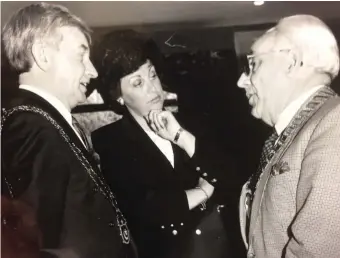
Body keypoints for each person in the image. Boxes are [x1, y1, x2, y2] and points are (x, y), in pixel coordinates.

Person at [1, 3, 135, 258]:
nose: (92, 71)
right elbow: (48, 246)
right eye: (80, 56)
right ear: (43, 55)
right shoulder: (30, 127)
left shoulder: (46, 123)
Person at [91, 30, 235, 258]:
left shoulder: (192, 123)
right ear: (118, 95)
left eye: (153, 75)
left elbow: (229, 177)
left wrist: (180, 136)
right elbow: (144, 209)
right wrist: (203, 191)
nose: (153, 89)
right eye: (138, 83)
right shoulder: (108, 140)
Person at [237, 15, 340, 258]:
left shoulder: (334, 124)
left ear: (291, 62)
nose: (242, 81)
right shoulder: (300, 129)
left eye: (254, 65)